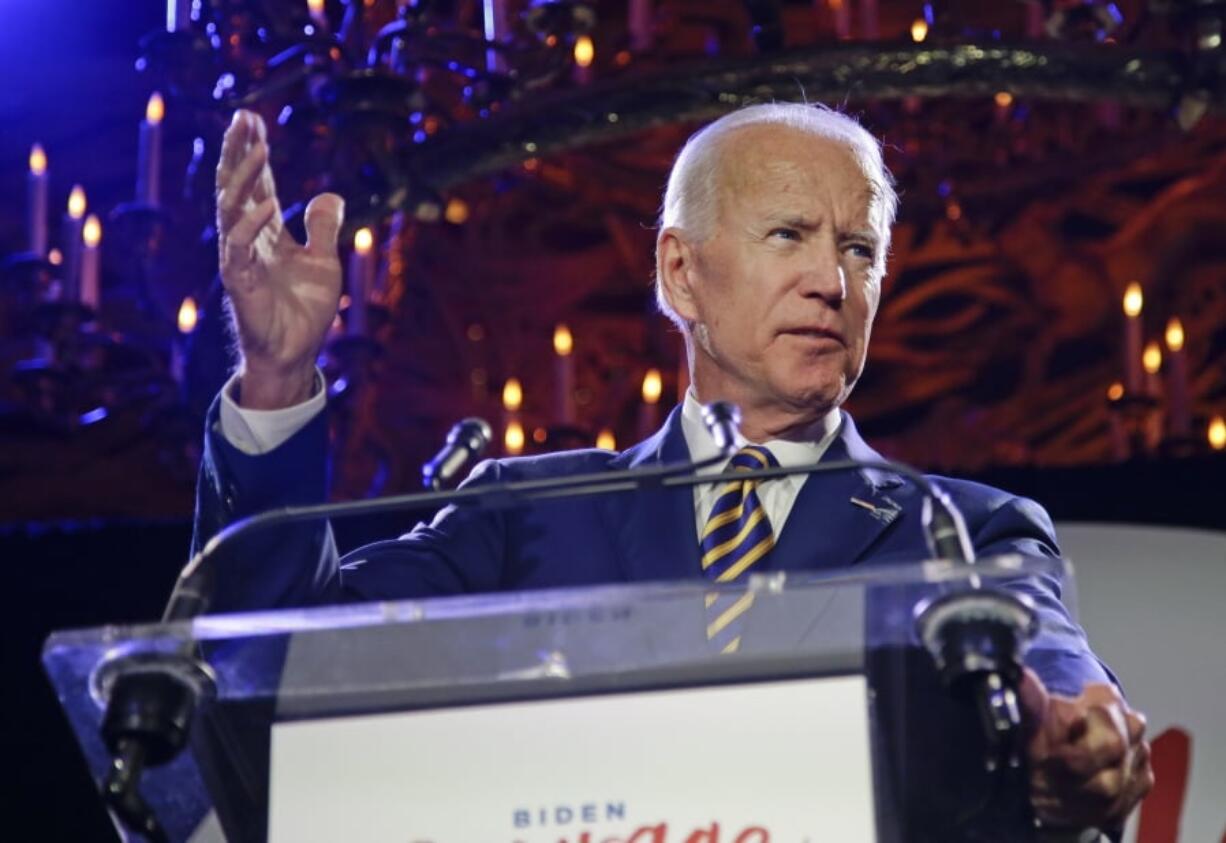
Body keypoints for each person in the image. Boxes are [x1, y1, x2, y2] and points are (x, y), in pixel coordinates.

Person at [201, 103, 1153, 834]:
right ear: (679, 272)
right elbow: (280, 669)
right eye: (790, 234)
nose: (833, 279)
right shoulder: (527, 514)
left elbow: (1057, 670)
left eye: (859, 248)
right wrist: (278, 382)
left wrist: (1080, 736)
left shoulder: (962, 531)